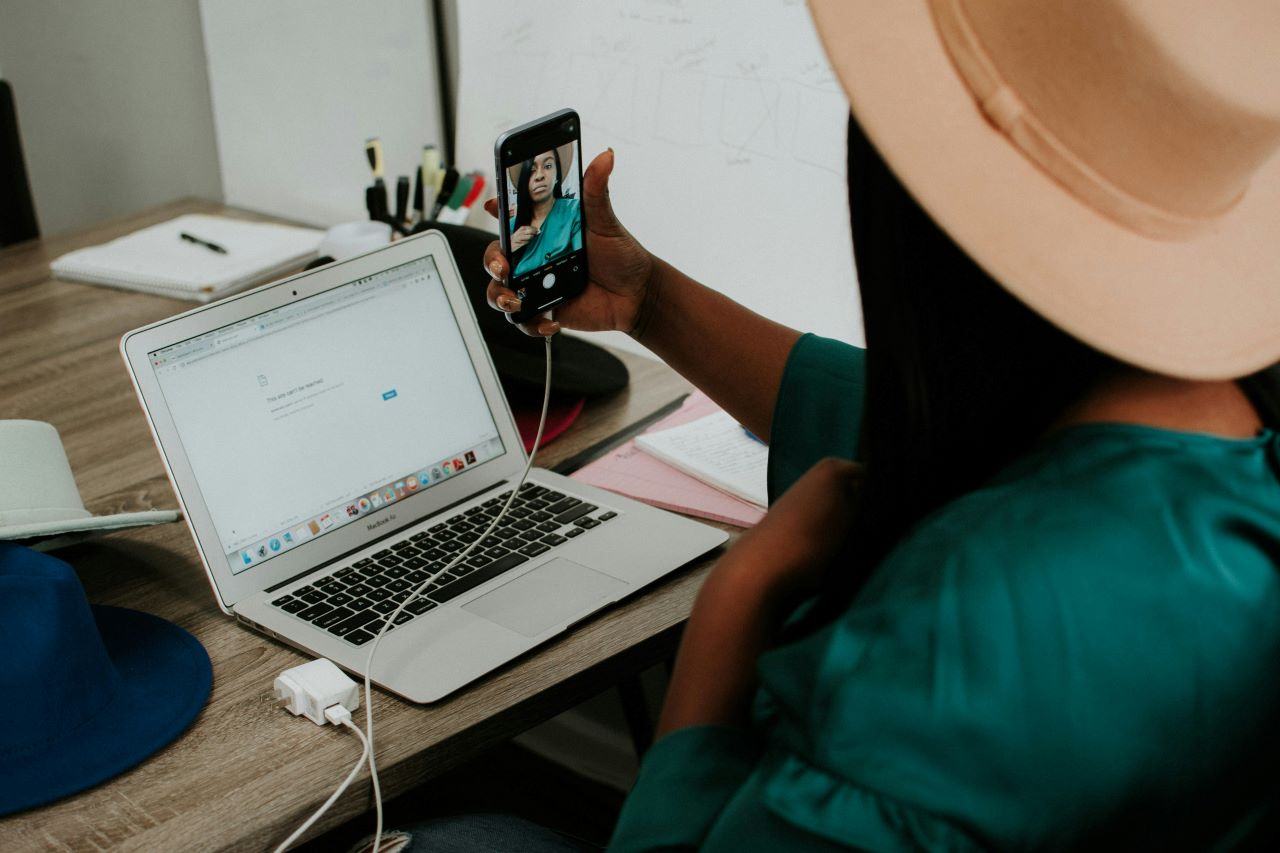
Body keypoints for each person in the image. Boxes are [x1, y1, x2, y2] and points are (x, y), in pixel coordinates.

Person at [386, 1, 1280, 849]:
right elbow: (895, 416)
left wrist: (737, 604)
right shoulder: (1227, 441)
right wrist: (649, 299)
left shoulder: (947, 655)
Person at [508, 147, 583, 278]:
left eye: (548, 166)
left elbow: (582, 264)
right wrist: (509, 249)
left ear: (557, 175)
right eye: (531, 170)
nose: (539, 176)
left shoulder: (574, 210)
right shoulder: (511, 227)